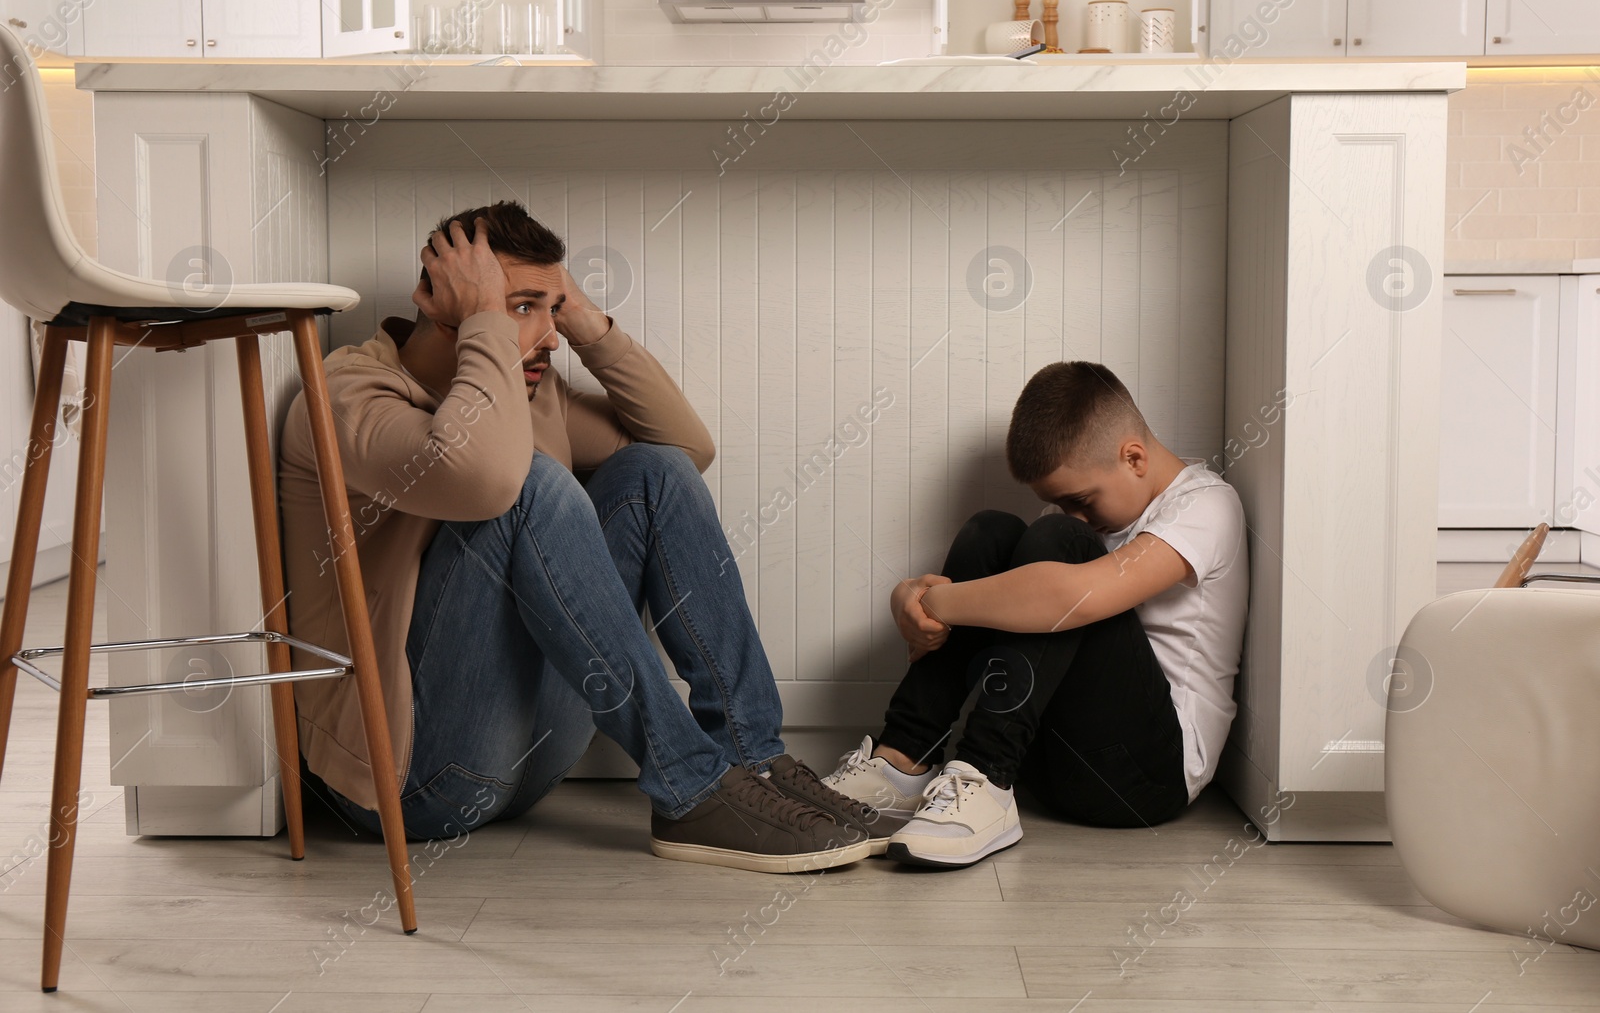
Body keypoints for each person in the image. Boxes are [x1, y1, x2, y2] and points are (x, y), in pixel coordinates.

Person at [278, 200, 894, 873]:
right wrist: (487, 318)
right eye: (521, 306)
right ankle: (690, 785)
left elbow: (686, 448)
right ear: (440, 300)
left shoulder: (525, 383)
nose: (544, 335)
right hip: (415, 781)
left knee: (651, 470)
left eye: (551, 307)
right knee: (530, 484)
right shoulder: (348, 395)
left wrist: (583, 322)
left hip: (525, 761)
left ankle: (753, 761)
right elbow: (485, 478)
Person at [824, 361, 1249, 867]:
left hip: (1145, 778)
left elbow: (1067, 596)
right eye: (1060, 503)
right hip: (1049, 762)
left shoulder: (1205, 506)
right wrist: (905, 596)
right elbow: (1019, 598)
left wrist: (934, 601)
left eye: (1081, 500)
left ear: (1133, 457)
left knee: (1060, 548)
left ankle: (984, 777)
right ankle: (902, 761)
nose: (1074, 515)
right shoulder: (1077, 520)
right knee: (992, 532)